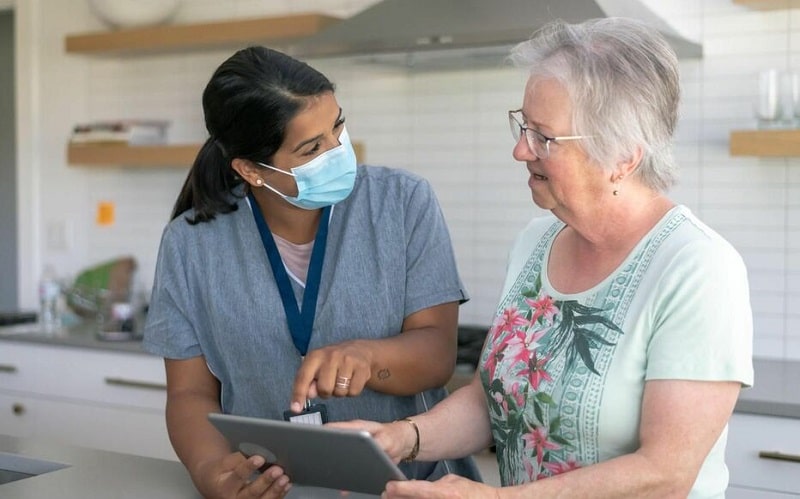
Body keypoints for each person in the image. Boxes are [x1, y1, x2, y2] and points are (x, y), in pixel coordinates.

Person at [333, 17, 754, 498]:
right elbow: (495, 399)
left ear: (623, 156)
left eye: (543, 137)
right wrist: (403, 438)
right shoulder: (536, 242)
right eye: (523, 126)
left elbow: (664, 474)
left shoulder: (698, 269)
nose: (519, 150)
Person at [142, 45, 480, 499]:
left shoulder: (402, 203)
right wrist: (210, 470)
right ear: (250, 170)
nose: (337, 150)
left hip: (412, 488)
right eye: (311, 148)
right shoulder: (190, 243)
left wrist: (369, 357)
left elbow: (437, 356)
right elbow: (189, 394)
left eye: (337, 126)